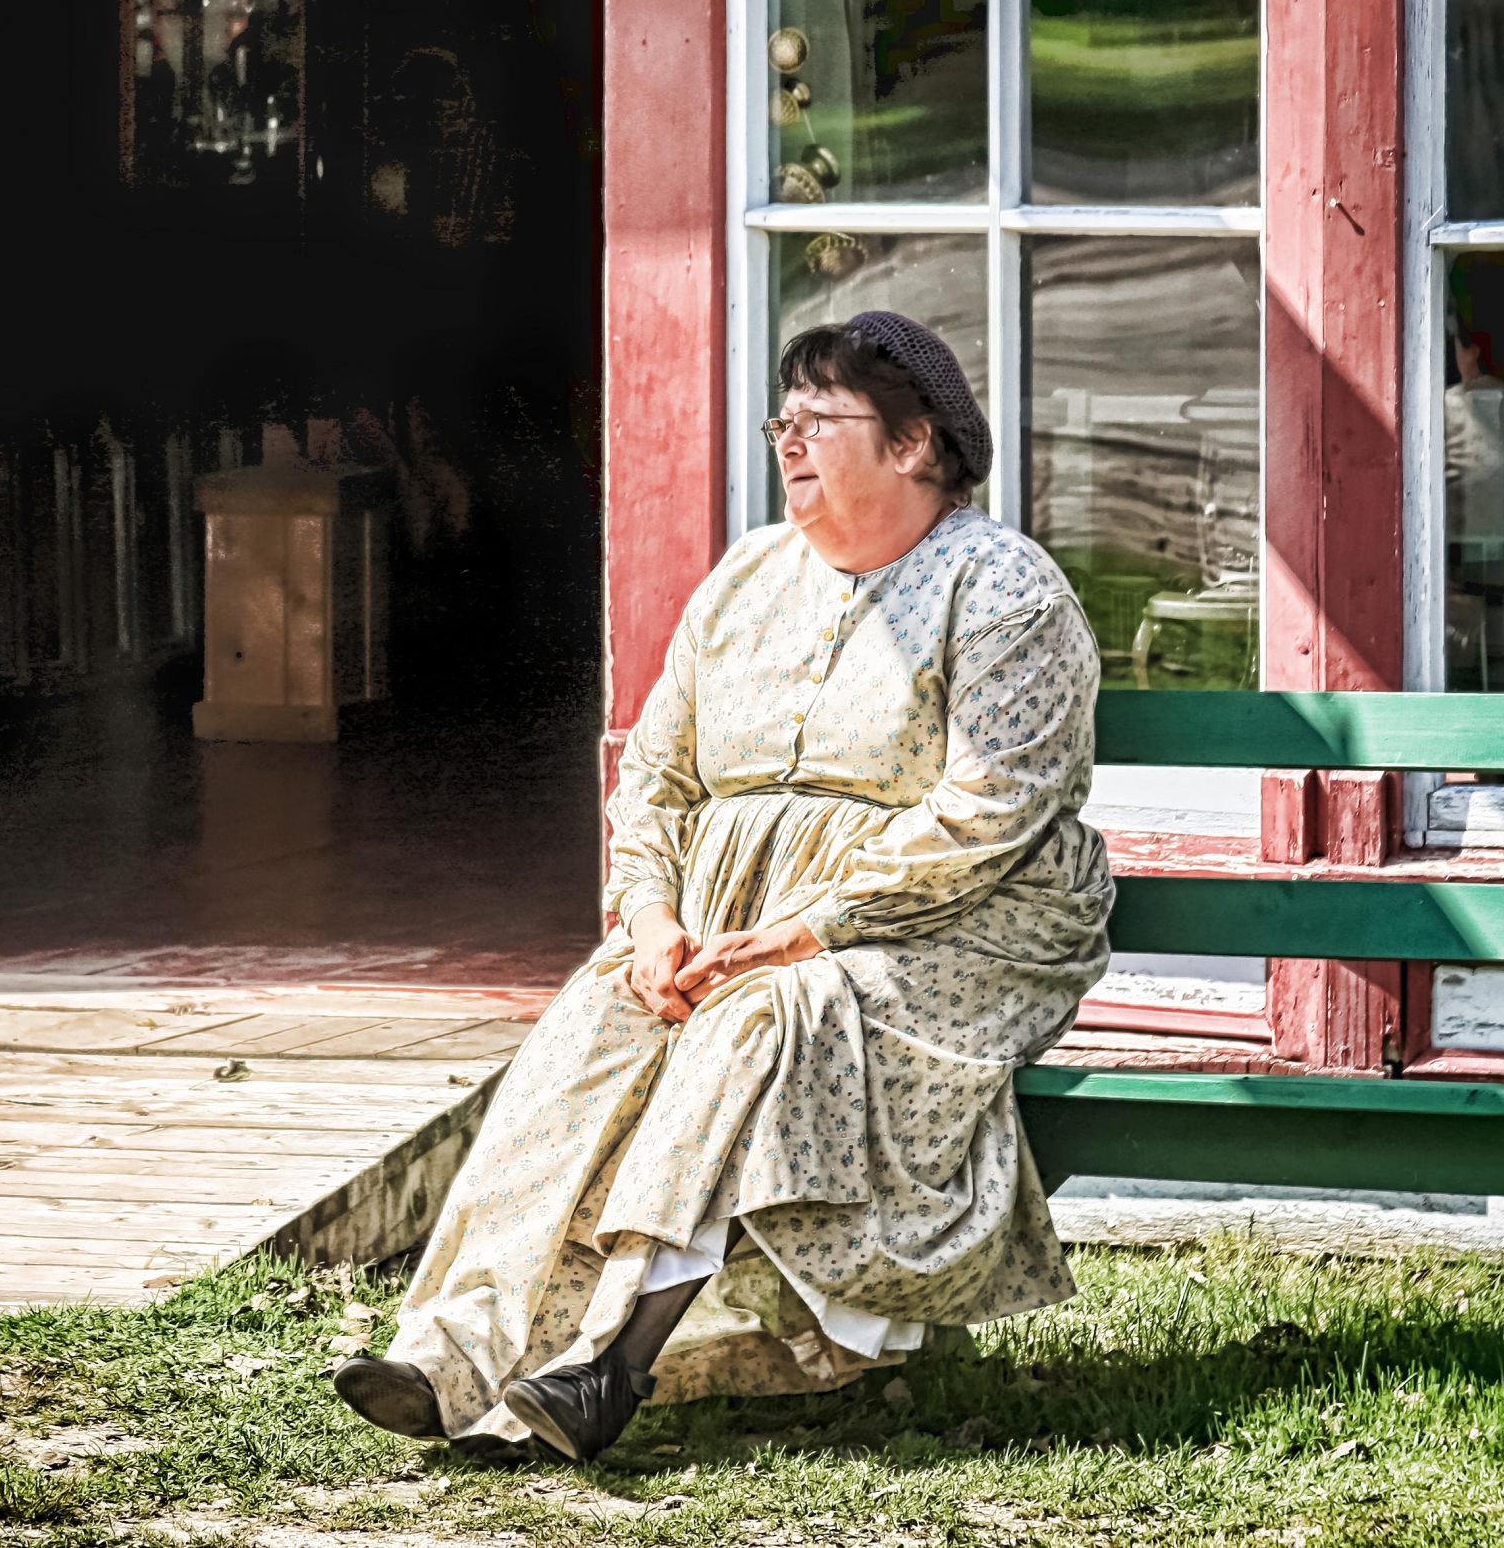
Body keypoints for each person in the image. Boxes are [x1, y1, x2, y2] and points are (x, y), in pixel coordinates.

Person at [333, 311, 1114, 1463]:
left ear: (913, 445)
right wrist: (649, 918)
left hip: (957, 928)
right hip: (726, 919)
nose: (785, 440)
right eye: (778, 420)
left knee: (761, 1020)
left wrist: (810, 927)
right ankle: (453, 1358)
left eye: (816, 419)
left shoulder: (1004, 592)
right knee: (599, 1023)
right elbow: (657, 771)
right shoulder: (749, 573)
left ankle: (607, 1364)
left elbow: (992, 811)